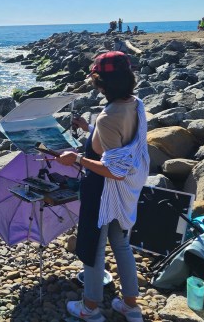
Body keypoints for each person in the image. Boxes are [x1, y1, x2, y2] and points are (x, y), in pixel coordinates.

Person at [57, 51, 149, 322]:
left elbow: (113, 170)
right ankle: (131, 307)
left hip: (104, 192)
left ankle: (91, 309)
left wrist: (76, 159)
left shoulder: (109, 117)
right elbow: (120, 146)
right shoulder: (136, 104)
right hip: (128, 192)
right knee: (121, 244)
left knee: (92, 247)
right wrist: (90, 130)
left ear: (101, 83)